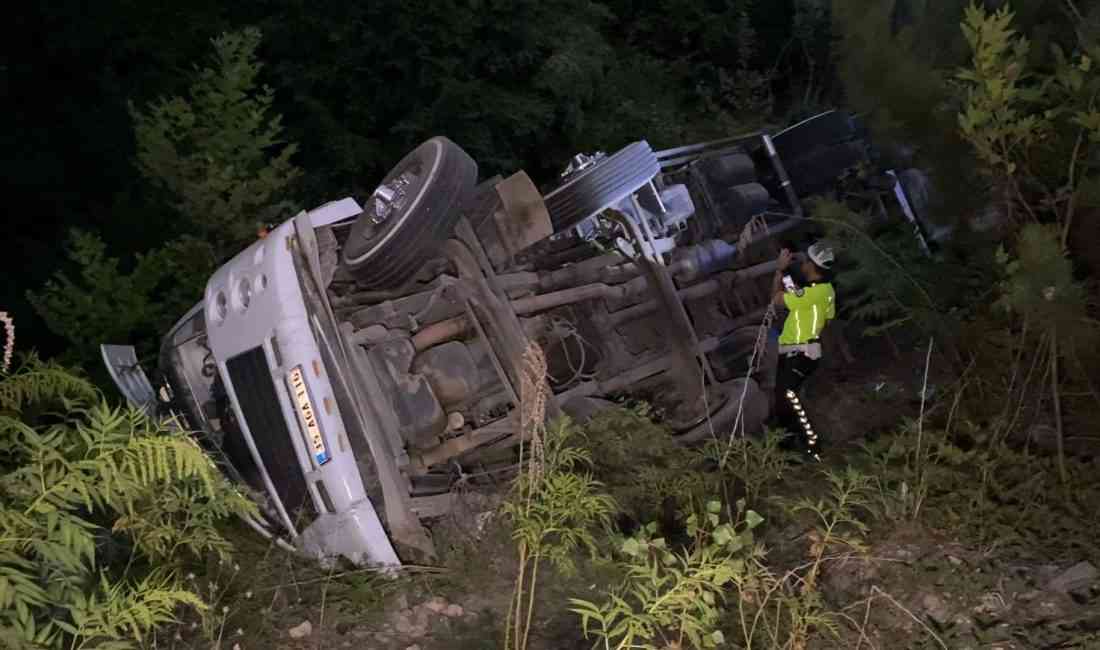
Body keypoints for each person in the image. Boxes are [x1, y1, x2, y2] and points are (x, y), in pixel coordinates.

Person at [770, 242, 836, 460]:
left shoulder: (813, 293)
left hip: (798, 352)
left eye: (806, 261)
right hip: (803, 350)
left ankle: (812, 448)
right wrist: (787, 273)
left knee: (789, 399)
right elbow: (797, 296)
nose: (803, 264)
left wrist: (779, 270)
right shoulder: (824, 292)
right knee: (785, 400)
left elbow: (777, 300)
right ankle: (791, 447)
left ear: (812, 266)